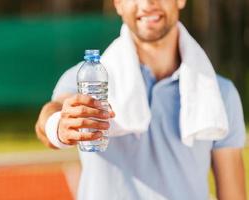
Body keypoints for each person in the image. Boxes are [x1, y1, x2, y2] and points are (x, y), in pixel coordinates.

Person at [35, 0, 247, 199]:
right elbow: (49, 119)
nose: (147, 4)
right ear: (118, 3)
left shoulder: (221, 93)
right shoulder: (88, 80)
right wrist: (59, 126)